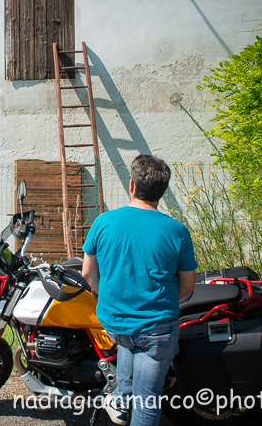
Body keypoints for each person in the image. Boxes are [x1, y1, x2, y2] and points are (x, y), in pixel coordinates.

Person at [82, 155, 197, 426]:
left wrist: (111, 298)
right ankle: (124, 401)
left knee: (128, 343)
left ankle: (120, 401)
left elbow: (88, 273)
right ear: (162, 191)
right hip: (156, 329)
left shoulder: (103, 222)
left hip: (115, 324)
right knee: (147, 404)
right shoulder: (177, 231)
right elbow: (188, 285)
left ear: (131, 185)